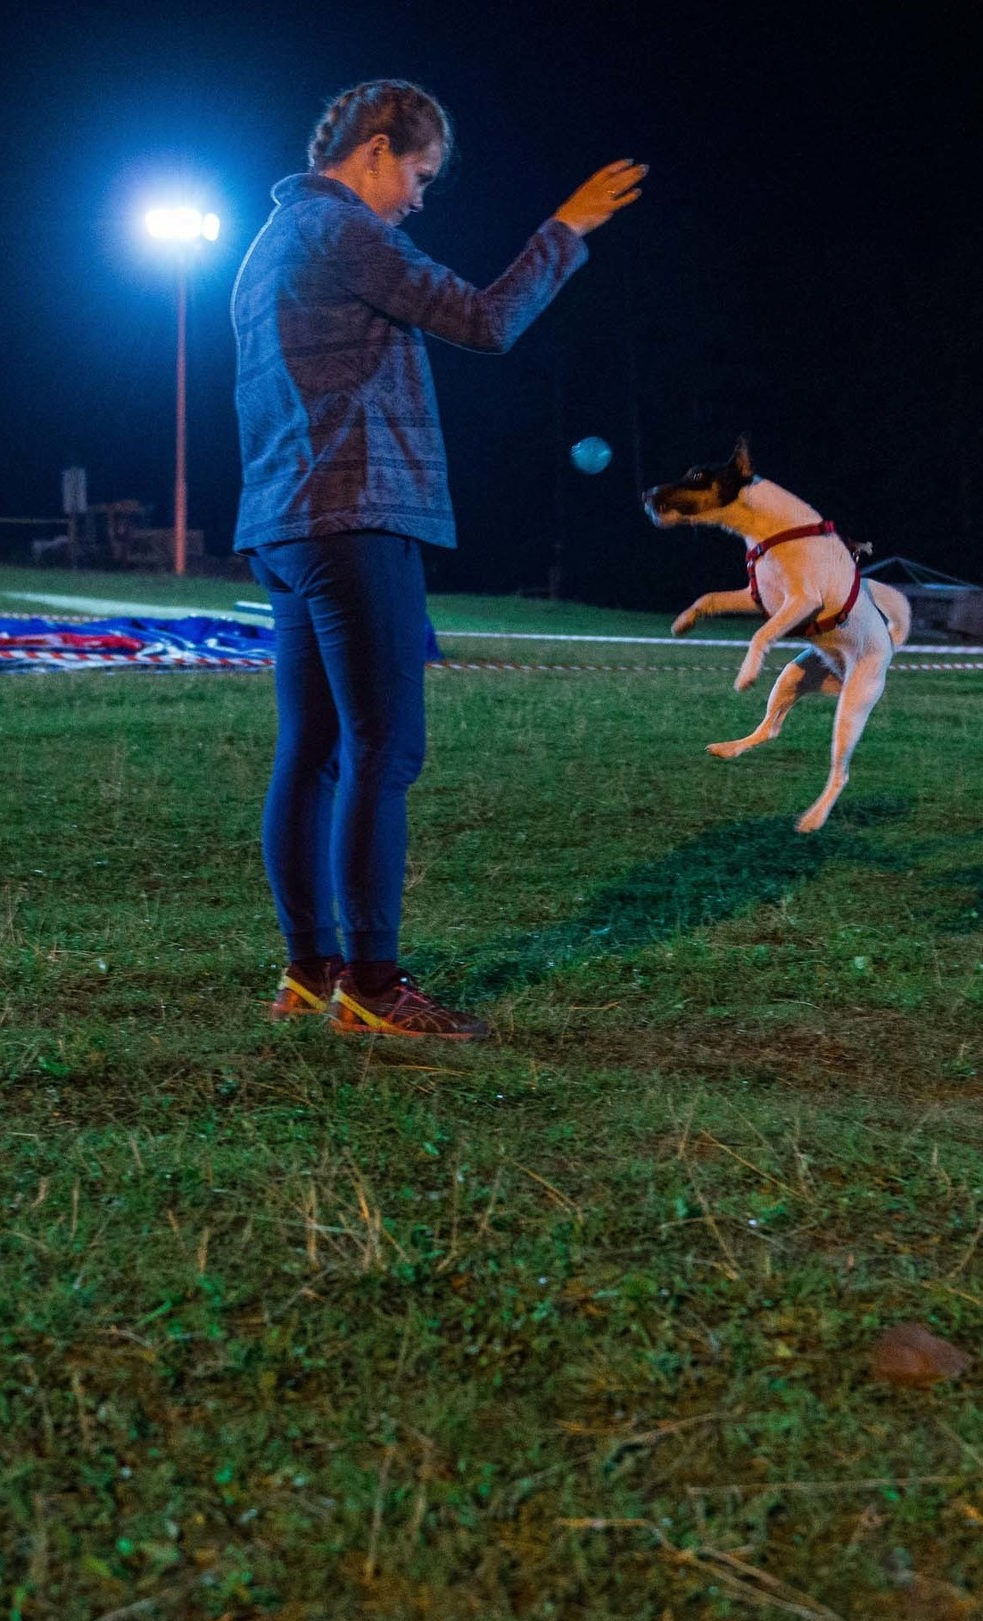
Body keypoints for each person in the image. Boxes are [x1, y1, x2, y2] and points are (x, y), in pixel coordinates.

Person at [231, 80, 644, 1040]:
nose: (421, 196)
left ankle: (309, 972)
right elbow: (487, 320)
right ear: (375, 150)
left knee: (315, 754)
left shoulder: (265, 247)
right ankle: (372, 989)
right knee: (385, 749)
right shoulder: (343, 231)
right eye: (419, 173)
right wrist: (566, 229)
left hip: (286, 525)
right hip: (355, 515)